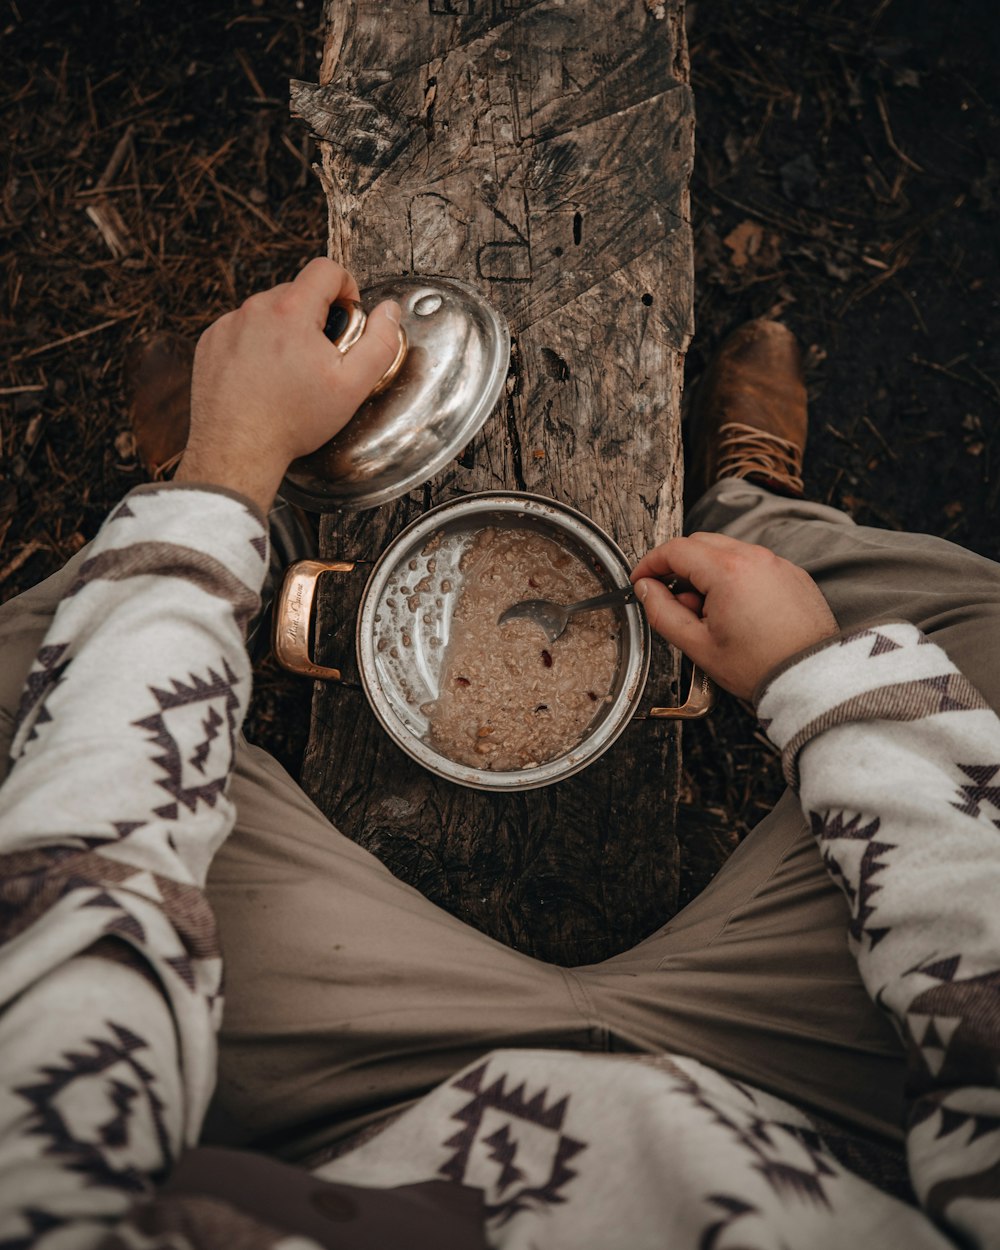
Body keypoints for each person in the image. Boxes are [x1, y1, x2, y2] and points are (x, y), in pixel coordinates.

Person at [0, 258, 996, 1249]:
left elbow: (71, 913)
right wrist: (816, 677)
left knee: (23, 683)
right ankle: (752, 517)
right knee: (972, 628)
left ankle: (232, 517)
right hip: (835, 1106)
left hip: (334, 1114)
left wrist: (230, 459)